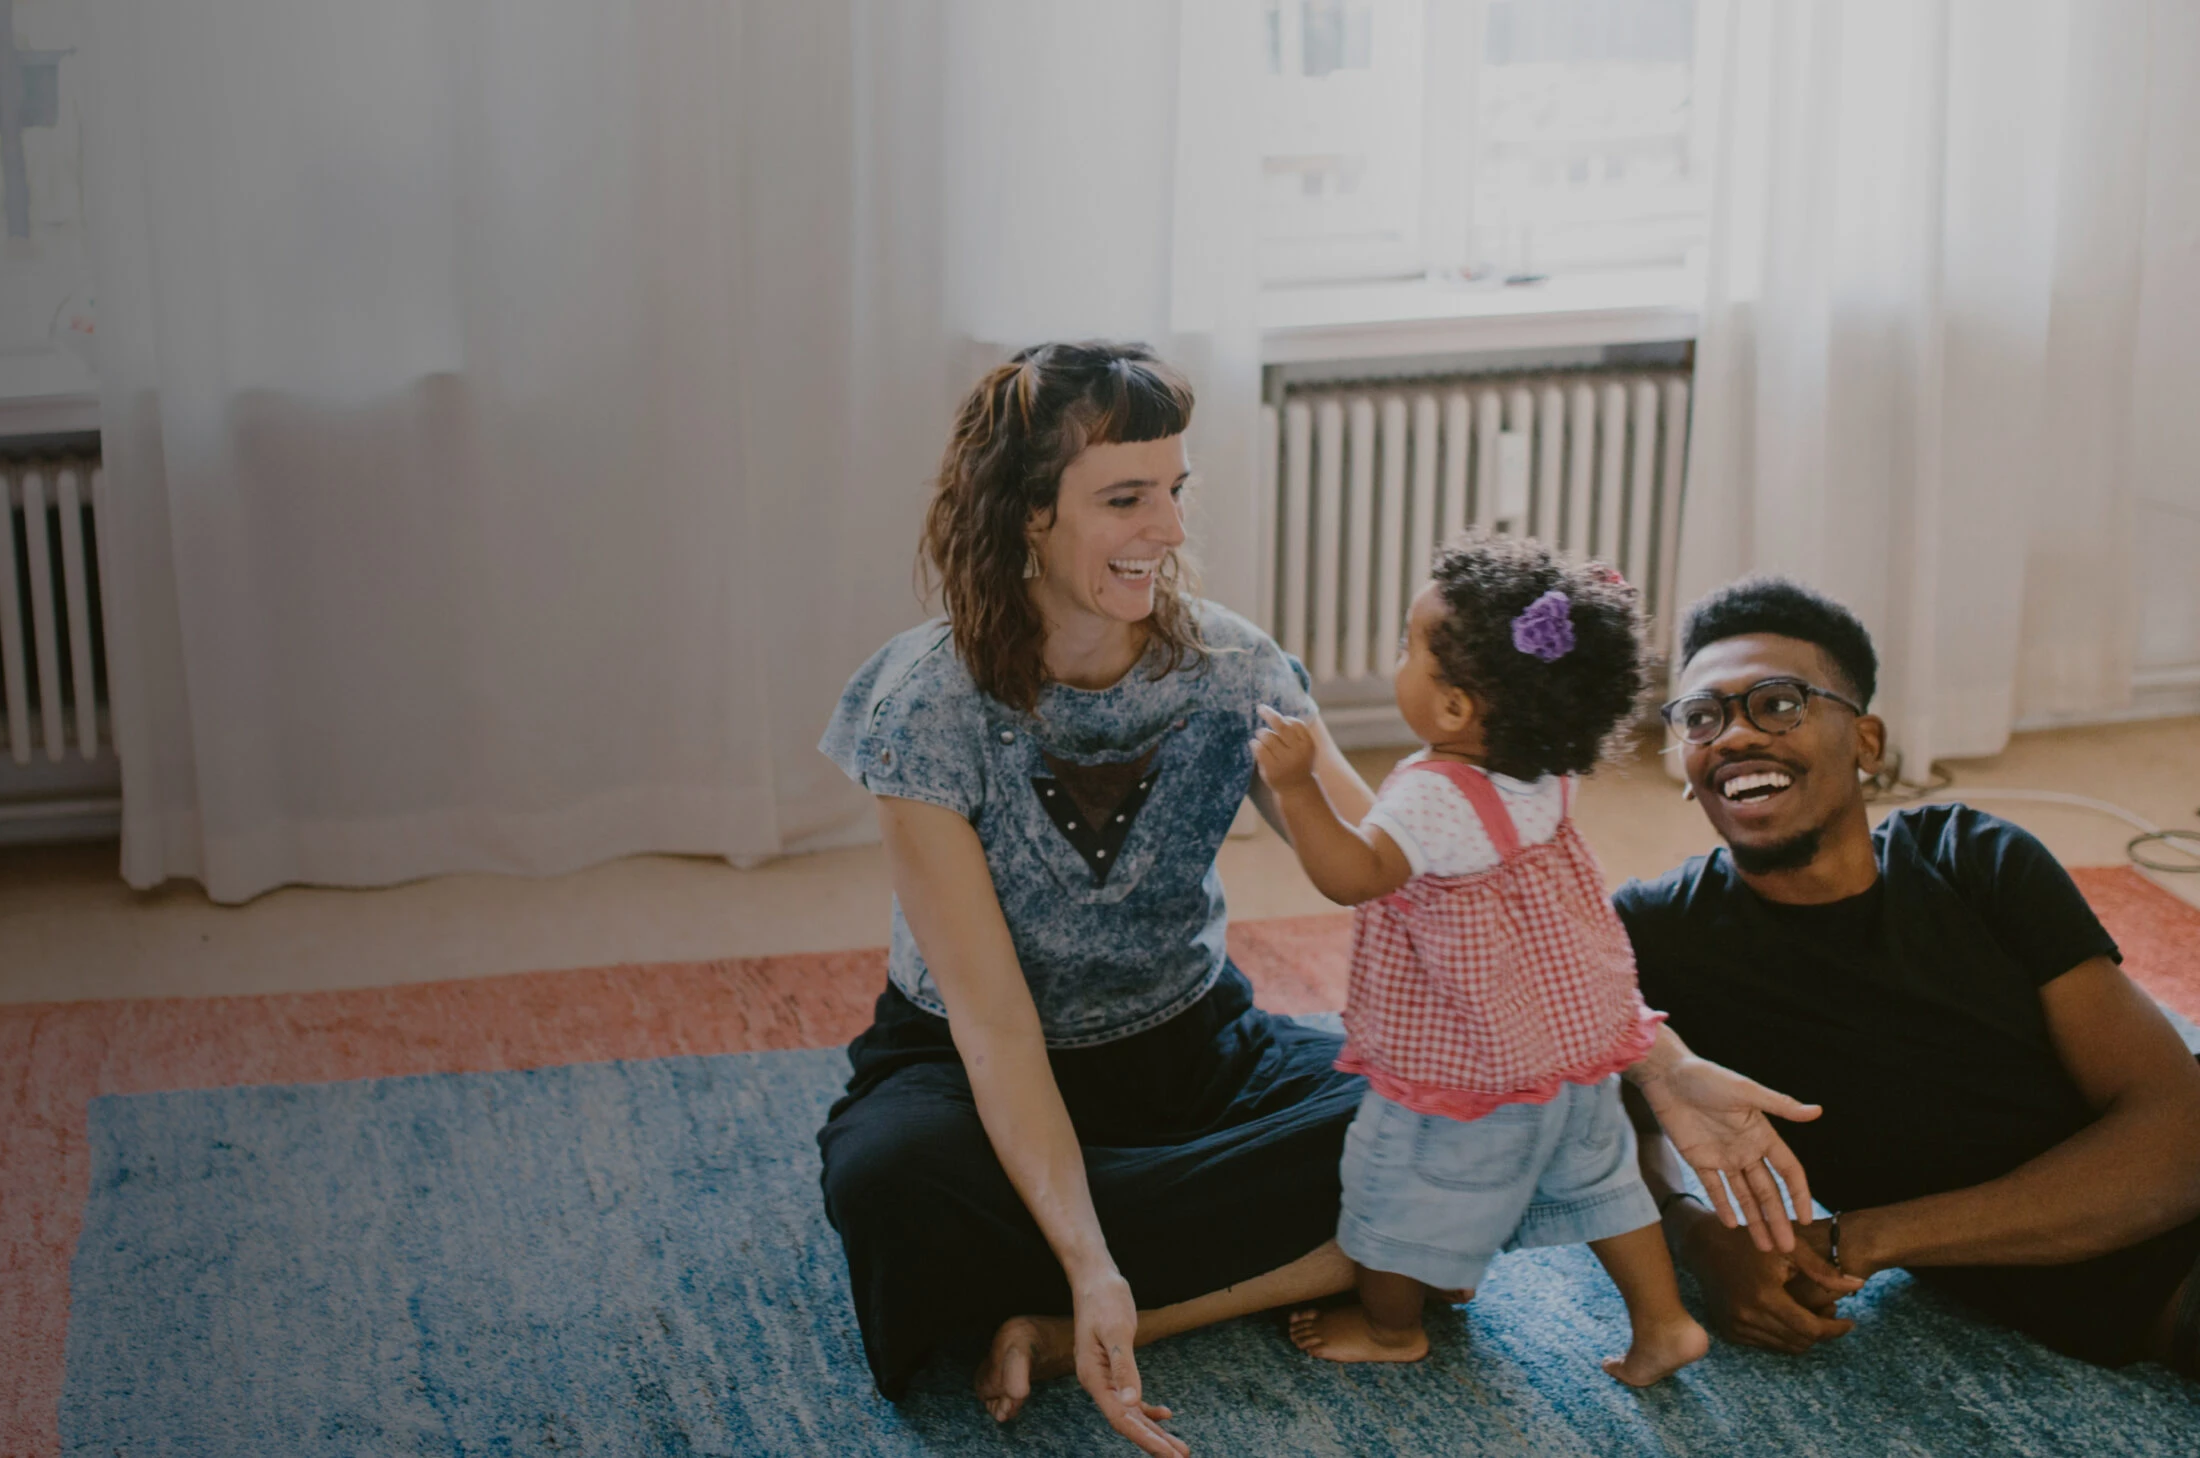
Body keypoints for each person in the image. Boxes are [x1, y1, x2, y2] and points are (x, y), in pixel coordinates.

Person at [815, 342, 1821, 1455]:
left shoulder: (1231, 667)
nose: (1171, 529)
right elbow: (995, 1026)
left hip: (1193, 1054)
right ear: (1024, 514)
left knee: (1458, 1127)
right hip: (969, 1064)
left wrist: (1660, 1064)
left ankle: (1089, 1324)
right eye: (1124, 498)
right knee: (891, 1187)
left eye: (1174, 492)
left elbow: (1422, 876)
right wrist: (1089, 1255)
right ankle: (1116, 1263)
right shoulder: (922, 706)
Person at [1615, 577, 2200, 1376]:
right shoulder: (1655, 934)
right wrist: (1702, 1237)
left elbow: (2179, 1136)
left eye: (1779, 703)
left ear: (1865, 742)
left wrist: (1860, 1237)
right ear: (1686, 763)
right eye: (1703, 717)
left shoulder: (1971, 860)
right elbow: (1596, 1133)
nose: (1737, 735)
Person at [1251, 537, 1711, 1386]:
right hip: (1572, 1046)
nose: (1399, 661)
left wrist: (1298, 787)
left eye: (1408, 648)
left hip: (1473, 1060)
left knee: (1394, 1190)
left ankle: (1393, 1329)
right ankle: (1665, 1322)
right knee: (1606, 1185)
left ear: (1458, 708)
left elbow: (1353, 877)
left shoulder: (1431, 795)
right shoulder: (1547, 768)